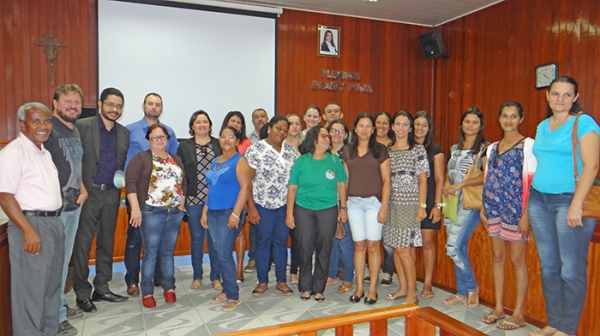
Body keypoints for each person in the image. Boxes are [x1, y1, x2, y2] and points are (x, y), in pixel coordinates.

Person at [528, 76, 599, 336]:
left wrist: (577, 205)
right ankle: (553, 322)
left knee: (571, 268)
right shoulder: (541, 126)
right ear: (547, 96)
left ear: (575, 98)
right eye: (555, 94)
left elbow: (591, 166)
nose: (560, 99)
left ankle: (567, 329)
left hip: (569, 200)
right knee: (548, 266)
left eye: (567, 95)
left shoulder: (584, 123)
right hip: (539, 200)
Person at [0, 103, 64, 336]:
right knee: (31, 292)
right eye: (36, 121)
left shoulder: (44, 152)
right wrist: (28, 230)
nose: (43, 126)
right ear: (22, 124)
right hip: (31, 225)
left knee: (50, 288)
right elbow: (5, 197)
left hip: (53, 224)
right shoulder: (13, 153)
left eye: (47, 121)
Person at [73, 88, 130, 313]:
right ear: (100, 104)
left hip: (112, 194)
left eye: (118, 106)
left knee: (107, 242)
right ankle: (81, 292)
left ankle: (102, 287)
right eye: (110, 105)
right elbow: (74, 161)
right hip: (88, 193)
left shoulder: (124, 133)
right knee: (83, 244)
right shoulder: (82, 126)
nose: (114, 110)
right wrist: (80, 188)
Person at [480, 102, 536, 329]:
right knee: (497, 258)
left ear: (521, 119)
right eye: (505, 116)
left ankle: (519, 314)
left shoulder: (529, 145)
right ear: (499, 118)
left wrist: (526, 214)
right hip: (493, 209)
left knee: (517, 261)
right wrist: (484, 207)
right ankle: (499, 307)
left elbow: (533, 182)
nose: (509, 120)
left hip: (516, 211)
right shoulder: (492, 147)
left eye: (514, 116)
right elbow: (487, 178)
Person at [123, 92, 178, 296]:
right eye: (150, 104)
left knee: (160, 239)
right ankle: (132, 280)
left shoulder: (169, 132)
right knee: (135, 238)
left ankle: (159, 277)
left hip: (164, 199)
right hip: (137, 197)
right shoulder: (130, 131)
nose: (154, 107)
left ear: (161, 108)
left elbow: (174, 163)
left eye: (157, 104)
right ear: (143, 106)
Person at [125, 124, 185, 308]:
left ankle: (169, 288)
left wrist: (182, 202)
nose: (159, 140)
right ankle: (148, 292)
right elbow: (131, 184)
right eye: (155, 137)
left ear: (168, 139)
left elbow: (183, 181)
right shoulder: (141, 158)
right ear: (148, 140)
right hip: (151, 212)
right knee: (150, 254)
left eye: (162, 137)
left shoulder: (175, 159)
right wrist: (135, 208)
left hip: (174, 213)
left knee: (168, 253)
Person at [44, 84, 87, 335]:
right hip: (55, 210)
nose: (73, 106)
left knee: (63, 261)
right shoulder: (48, 129)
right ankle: (55, 317)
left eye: (77, 102)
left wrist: (82, 188)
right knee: (55, 265)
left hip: (74, 206)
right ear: (55, 103)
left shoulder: (75, 130)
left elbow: (73, 165)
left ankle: (60, 304)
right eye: (67, 101)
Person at [286, 126, 348, 301]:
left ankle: (318, 287)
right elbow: (292, 188)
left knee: (325, 247)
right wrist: (289, 213)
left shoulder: (335, 161)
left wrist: (343, 209)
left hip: (328, 209)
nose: (328, 139)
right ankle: (305, 286)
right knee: (304, 246)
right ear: (314, 140)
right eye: (324, 136)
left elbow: (342, 185)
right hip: (303, 208)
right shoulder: (302, 161)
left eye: (328, 136)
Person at [201, 126, 253, 311]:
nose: (226, 140)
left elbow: (245, 188)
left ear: (237, 141)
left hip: (229, 212)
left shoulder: (240, 161)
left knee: (223, 253)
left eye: (231, 137)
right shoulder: (216, 160)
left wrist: (236, 214)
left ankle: (233, 295)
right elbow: (213, 187)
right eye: (223, 137)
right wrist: (204, 211)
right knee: (216, 252)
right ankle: (225, 289)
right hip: (213, 211)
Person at [341, 113, 391, 305]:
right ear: (355, 128)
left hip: (374, 204)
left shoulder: (380, 150)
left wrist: (384, 206)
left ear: (373, 129)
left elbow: (387, 181)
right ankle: (359, 287)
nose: (364, 129)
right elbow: (343, 182)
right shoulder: (347, 151)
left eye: (368, 126)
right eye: (361, 126)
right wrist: (343, 207)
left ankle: (372, 289)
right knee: (359, 246)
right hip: (353, 204)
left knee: (373, 246)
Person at [246, 116, 298, 297]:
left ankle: (281, 281)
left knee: (281, 243)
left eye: (285, 130)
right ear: (269, 128)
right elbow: (247, 182)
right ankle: (262, 281)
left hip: (284, 206)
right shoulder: (255, 150)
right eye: (278, 128)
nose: (281, 133)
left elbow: (296, 181)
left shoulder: (292, 152)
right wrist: (251, 207)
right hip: (262, 205)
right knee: (262, 243)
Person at [442, 106, 488, 308]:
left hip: (469, 204)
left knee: (452, 248)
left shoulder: (485, 149)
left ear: (480, 126)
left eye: (475, 122)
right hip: (451, 201)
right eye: (467, 121)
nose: (470, 125)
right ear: (461, 124)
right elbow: (448, 172)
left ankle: (472, 288)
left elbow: (486, 177)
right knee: (459, 248)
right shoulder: (455, 148)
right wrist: (446, 184)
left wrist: (461, 185)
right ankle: (461, 292)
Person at [384, 111, 428, 306]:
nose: (401, 128)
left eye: (405, 125)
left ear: (410, 128)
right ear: (392, 127)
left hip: (409, 205)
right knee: (396, 248)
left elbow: (423, 180)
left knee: (404, 250)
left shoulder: (417, 150)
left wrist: (422, 206)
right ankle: (402, 287)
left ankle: (412, 292)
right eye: (398, 124)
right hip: (391, 204)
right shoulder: (387, 149)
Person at [177, 110, 222, 291]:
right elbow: (180, 174)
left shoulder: (218, 144)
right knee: (196, 238)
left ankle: (215, 277)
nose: (202, 125)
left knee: (214, 239)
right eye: (198, 122)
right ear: (192, 126)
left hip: (216, 199)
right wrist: (182, 199)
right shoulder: (185, 146)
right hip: (193, 198)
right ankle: (197, 276)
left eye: (205, 122)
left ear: (210, 125)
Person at [413, 110, 444, 299]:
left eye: (424, 125)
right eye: (417, 124)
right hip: (408, 200)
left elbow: (440, 180)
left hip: (430, 199)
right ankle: (410, 281)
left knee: (427, 243)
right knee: (407, 244)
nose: (420, 128)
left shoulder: (435, 150)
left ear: (429, 128)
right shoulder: (405, 147)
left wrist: (437, 206)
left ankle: (427, 283)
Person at [221, 110, 253, 281]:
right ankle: (225, 270)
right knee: (222, 235)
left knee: (239, 232)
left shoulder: (247, 143)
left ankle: (239, 269)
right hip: (223, 195)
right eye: (232, 120)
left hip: (240, 192)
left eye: (239, 122)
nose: (236, 124)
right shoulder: (221, 142)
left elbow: (249, 174)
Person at [325, 119, 355, 293]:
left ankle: (349, 278)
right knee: (331, 239)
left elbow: (347, 181)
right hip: (327, 202)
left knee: (344, 240)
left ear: (346, 134)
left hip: (344, 201)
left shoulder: (349, 152)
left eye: (340, 130)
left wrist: (343, 205)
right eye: (333, 130)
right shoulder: (325, 152)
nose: (336, 133)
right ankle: (331, 273)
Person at [371, 110, 395, 287]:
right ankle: (374, 269)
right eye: (378, 122)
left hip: (390, 194)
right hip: (370, 194)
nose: (381, 126)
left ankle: (388, 271)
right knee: (372, 237)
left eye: (385, 123)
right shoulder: (368, 144)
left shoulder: (394, 145)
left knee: (387, 237)